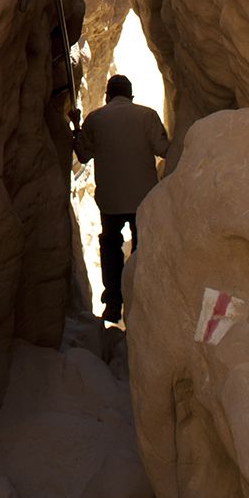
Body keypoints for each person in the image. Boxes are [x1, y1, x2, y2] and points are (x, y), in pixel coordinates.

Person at [71, 75, 169, 324]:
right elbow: (164, 149)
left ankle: (113, 302)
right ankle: (142, 299)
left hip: (111, 200)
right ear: (131, 95)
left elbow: (82, 156)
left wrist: (76, 129)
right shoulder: (147, 116)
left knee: (110, 246)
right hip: (142, 198)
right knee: (142, 247)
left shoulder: (96, 118)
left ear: (107, 96)